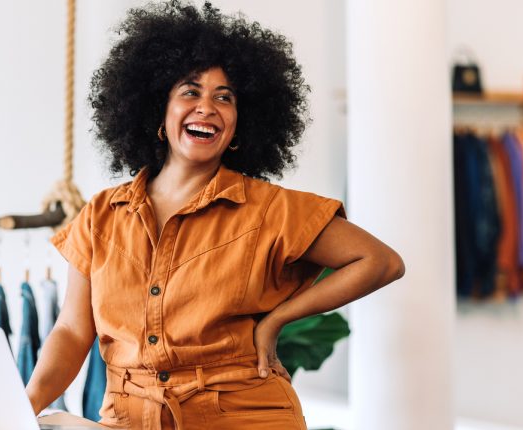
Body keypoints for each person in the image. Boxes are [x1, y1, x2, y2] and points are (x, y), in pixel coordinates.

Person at [26, 1, 405, 429]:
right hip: (131, 418)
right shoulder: (100, 215)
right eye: (190, 92)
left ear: (240, 123)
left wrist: (279, 318)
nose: (207, 107)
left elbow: (381, 261)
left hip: (244, 417)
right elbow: (73, 333)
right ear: (158, 111)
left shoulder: (270, 209)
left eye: (223, 98)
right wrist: (22, 407)